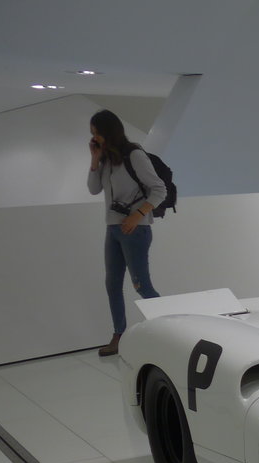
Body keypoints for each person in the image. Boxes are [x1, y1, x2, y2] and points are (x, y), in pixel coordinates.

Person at [87, 109, 165, 357]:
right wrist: (95, 159)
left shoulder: (134, 154)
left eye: (97, 134)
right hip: (113, 228)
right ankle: (118, 334)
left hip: (136, 229)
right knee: (112, 284)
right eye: (92, 135)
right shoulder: (107, 159)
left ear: (108, 132)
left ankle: (170, 331)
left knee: (141, 285)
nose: (94, 138)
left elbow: (158, 189)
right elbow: (93, 189)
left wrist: (137, 215)